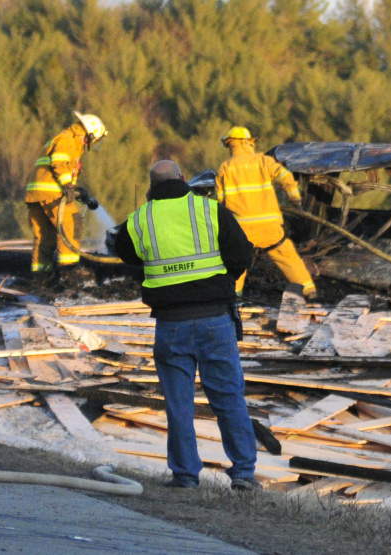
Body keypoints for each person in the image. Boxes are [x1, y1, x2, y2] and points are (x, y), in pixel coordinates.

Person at [114, 160, 261, 490]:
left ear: (151, 186)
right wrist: (221, 283)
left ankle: (184, 476)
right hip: (215, 320)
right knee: (229, 399)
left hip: (171, 324)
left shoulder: (139, 220)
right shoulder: (211, 209)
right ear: (183, 179)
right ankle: (243, 474)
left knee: (178, 404)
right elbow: (241, 254)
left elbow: (126, 254)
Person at [214, 126, 316, 298]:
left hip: (242, 230)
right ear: (248, 143)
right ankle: (308, 290)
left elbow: (221, 201)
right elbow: (286, 178)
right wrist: (295, 199)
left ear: (231, 146)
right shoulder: (264, 162)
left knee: (236, 262)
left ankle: (234, 297)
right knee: (287, 256)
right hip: (269, 228)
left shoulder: (225, 168)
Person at [25, 111, 107, 273]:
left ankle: (41, 275)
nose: (88, 145)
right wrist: (68, 187)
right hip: (51, 194)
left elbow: (62, 171)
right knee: (71, 222)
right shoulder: (68, 140)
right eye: (91, 140)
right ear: (87, 134)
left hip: (37, 195)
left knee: (44, 237)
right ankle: (70, 272)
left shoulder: (67, 140)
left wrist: (78, 191)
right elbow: (59, 164)